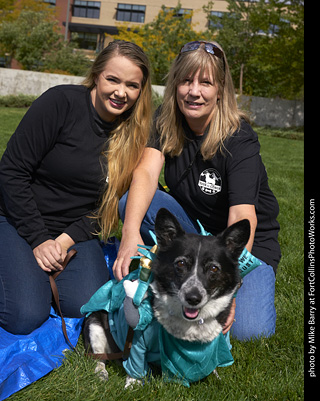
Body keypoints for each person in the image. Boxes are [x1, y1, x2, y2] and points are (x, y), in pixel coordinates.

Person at [113, 41, 281, 341]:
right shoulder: (166, 119)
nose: (194, 91)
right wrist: (129, 235)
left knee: (251, 332)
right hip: (195, 233)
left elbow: (242, 215)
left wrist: (230, 290)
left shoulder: (239, 137)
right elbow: (147, 173)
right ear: (175, 84)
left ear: (220, 90)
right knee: (132, 203)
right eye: (186, 80)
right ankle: (135, 287)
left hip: (239, 242)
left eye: (205, 82)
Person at [0, 40, 152, 335]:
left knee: (85, 307)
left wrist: (64, 241)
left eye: (132, 85)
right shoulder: (61, 103)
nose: (121, 92)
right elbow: (11, 171)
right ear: (97, 75)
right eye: (112, 79)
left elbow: (107, 208)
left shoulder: (135, 135)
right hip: (18, 219)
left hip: (75, 233)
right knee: (25, 315)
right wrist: (38, 239)